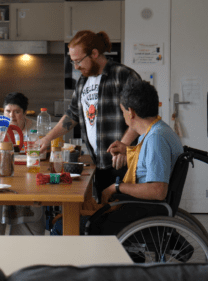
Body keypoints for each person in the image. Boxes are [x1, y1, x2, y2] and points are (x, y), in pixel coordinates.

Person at [37, 30, 141, 201]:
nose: (76, 67)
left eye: (78, 61)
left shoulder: (122, 75)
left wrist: (124, 146)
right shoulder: (83, 81)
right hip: (99, 162)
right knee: (104, 211)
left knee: (122, 214)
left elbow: (139, 115)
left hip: (123, 162)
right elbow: (72, 115)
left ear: (94, 53)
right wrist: (47, 139)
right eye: (73, 62)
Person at [89, 80, 184, 235]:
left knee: (85, 225)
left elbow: (157, 190)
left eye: (123, 111)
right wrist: (127, 151)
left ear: (131, 112)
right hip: (145, 207)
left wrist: (116, 187)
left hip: (144, 210)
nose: (123, 116)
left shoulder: (156, 139)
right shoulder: (158, 131)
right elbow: (150, 165)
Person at [0, 92, 45, 235]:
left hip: (27, 176)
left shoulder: (34, 128)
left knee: (29, 199)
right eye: (8, 111)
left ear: (24, 113)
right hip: (0, 175)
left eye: (17, 112)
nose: (12, 116)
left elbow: (43, 153)